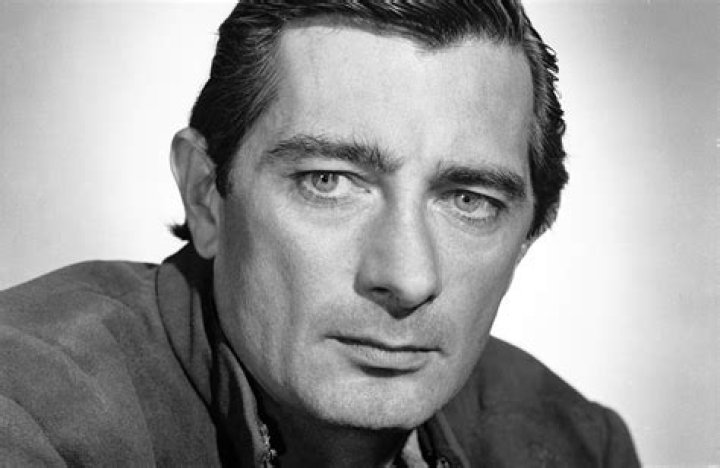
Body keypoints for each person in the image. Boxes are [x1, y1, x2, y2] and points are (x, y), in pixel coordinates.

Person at [0, 1, 640, 466]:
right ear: (206, 196)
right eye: (328, 182)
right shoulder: (25, 413)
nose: (407, 278)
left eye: (468, 201)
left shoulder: (576, 445)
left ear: (528, 236)